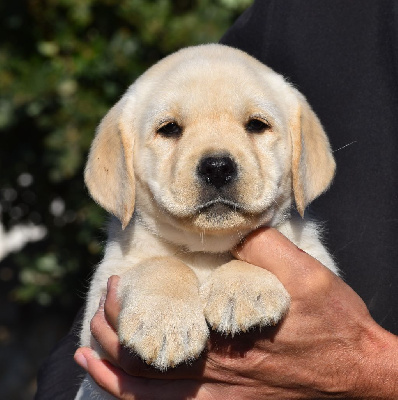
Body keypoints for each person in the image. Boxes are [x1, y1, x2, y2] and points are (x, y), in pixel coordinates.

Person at [36, 1, 398, 398]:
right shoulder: (289, 16)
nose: (217, 162)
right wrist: (158, 282)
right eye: (170, 128)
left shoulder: (305, 250)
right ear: (124, 162)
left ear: (300, 154)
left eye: (256, 124)